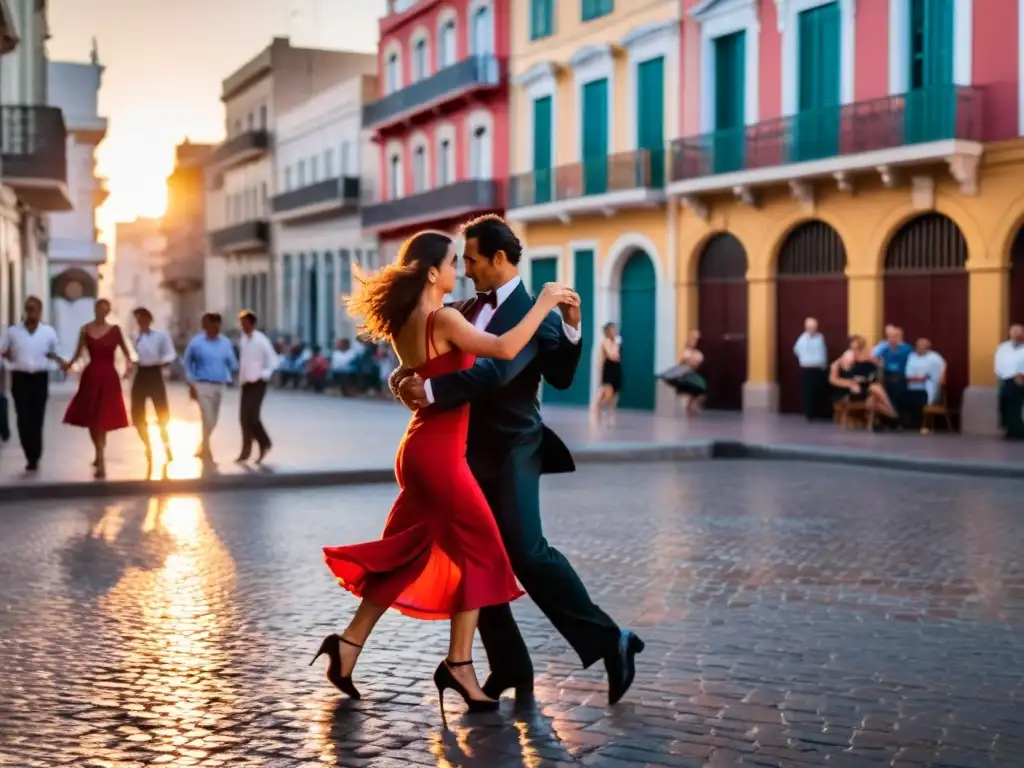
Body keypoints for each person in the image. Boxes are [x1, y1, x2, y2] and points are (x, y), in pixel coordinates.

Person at [315, 229, 579, 719]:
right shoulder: (445, 318)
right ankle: (459, 664)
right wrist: (542, 303)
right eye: (454, 263)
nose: (461, 271)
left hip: (417, 448)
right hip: (439, 456)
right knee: (485, 554)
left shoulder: (405, 322)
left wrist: (404, 378)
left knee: (407, 554)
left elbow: (420, 372)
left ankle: (347, 645)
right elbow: (502, 349)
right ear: (433, 272)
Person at [393, 215, 644, 707]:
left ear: (499, 260)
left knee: (527, 552)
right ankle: (509, 664)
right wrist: (403, 377)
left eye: (471, 260)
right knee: (474, 556)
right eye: (460, 261)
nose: (464, 270)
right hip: (461, 452)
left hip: (514, 449)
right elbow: (428, 353)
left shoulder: (536, 315)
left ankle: (612, 640)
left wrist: (571, 332)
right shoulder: (463, 307)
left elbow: (510, 372)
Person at [58, 298, 134, 478]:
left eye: (105, 310)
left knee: (104, 417)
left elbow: (127, 353)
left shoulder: (115, 330)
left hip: (109, 378)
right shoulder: (85, 330)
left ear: (108, 312)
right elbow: (77, 354)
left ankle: (100, 456)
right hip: (91, 376)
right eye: (100, 309)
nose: (102, 313)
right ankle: (98, 452)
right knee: (93, 418)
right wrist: (67, 365)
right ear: (95, 310)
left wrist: (129, 369)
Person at [0, 296, 59, 471]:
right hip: (20, 377)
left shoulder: (48, 332)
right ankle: (29, 452)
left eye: (34, 309)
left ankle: (35, 455)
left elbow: (56, 352)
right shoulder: (13, 332)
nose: (31, 312)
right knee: (23, 417)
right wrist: (8, 362)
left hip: (40, 378)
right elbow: (2, 351)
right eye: (28, 308)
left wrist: (52, 363)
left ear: (40, 311)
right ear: (25, 310)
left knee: (37, 417)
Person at [182, 312, 238, 463]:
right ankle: (206, 449)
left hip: (219, 385)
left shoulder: (226, 343)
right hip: (201, 384)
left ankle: (202, 445)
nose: (208, 327)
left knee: (213, 420)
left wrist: (236, 372)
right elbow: (186, 362)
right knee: (207, 417)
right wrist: (191, 381)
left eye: (212, 324)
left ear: (217, 325)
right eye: (205, 324)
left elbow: (232, 362)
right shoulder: (196, 343)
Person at [130, 306, 176, 463]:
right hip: (141, 374)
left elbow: (170, 353)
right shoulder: (134, 337)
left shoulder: (160, 336)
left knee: (162, 413)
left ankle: (167, 446)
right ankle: (147, 446)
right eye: (138, 319)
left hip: (155, 373)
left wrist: (163, 362)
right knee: (137, 414)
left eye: (143, 319)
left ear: (149, 320)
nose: (141, 322)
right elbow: (130, 355)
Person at [236, 311, 277, 463]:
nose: (242, 326)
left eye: (245, 323)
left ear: (252, 324)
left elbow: (273, 360)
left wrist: (264, 374)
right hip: (246, 382)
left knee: (253, 416)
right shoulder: (244, 340)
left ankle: (264, 442)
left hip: (258, 382)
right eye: (241, 324)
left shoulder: (261, 340)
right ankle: (246, 450)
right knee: (243, 418)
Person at [829, 335, 898, 426]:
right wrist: (850, 383)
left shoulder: (867, 360)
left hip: (863, 387)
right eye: (854, 348)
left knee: (874, 396)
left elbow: (873, 373)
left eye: (858, 348)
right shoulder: (846, 357)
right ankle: (894, 415)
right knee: (875, 389)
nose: (856, 351)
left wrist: (873, 364)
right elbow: (834, 378)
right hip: (852, 389)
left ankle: (893, 416)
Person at [903, 338, 946, 432]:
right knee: (901, 395)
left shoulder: (934, 357)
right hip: (911, 385)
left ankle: (918, 425)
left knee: (919, 397)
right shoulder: (911, 356)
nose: (921, 348)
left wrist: (940, 378)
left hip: (927, 387)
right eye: (918, 346)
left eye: (924, 347)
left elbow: (941, 368)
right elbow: (907, 372)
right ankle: (907, 424)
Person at [792, 317, 829, 420]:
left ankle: (819, 413)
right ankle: (809, 414)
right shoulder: (802, 338)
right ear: (806, 328)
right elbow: (796, 350)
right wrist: (803, 359)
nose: (813, 329)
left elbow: (823, 351)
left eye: (814, 327)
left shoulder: (820, 337)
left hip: (819, 368)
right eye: (810, 327)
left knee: (820, 391)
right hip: (807, 368)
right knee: (808, 392)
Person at [996, 324, 1024, 440]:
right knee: (1006, 402)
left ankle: (1018, 430)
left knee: (1016, 402)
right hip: (1007, 379)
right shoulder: (1003, 348)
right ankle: (1010, 429)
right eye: (1014, 331)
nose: (1017, 334)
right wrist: (1009, 375)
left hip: (1021, 379)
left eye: (1020, 331)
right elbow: (999, 364)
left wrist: (1020, 375)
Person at [592, 322, 621, 425]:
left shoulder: (615, 342)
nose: (614, 331)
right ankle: (596, 407)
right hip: (608, 370)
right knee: (607, 393)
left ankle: (611, 415)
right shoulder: (606, 342)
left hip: (616, 370)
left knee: (614, 395)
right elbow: (612, 355)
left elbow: (617, 356)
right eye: (612, 329)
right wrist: (616, 347)